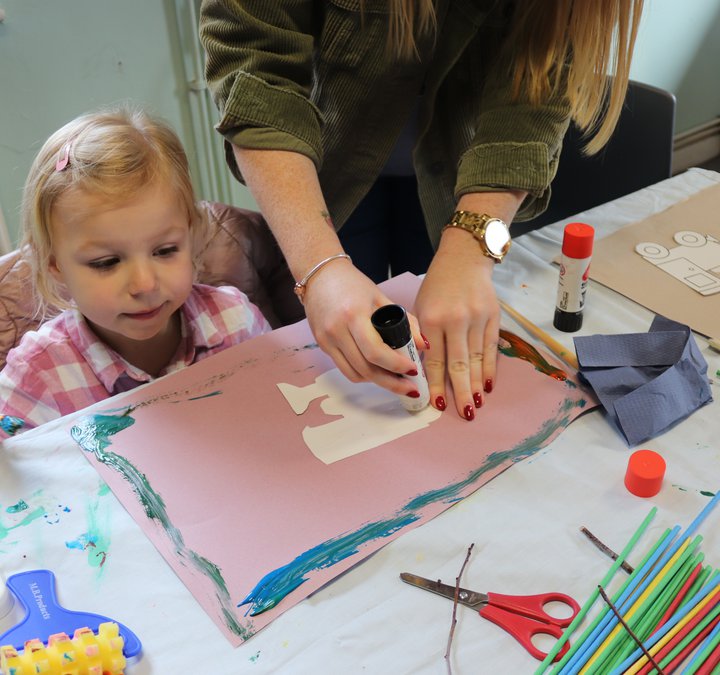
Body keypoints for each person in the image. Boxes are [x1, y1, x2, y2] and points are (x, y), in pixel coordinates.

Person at [199, 0, 644, 421]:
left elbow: (535, 90)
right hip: (322, 170)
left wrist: (471, 252)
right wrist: (320, 268)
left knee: (440, 322)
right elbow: (254, 64)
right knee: (346, 336)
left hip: (461, 174)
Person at [0, 106, 271, 440]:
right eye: (106, 262)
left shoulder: (235, 323)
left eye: (165, 251)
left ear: (192, 234)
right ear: (54, 264)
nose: (145, 284)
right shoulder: (36, 377)